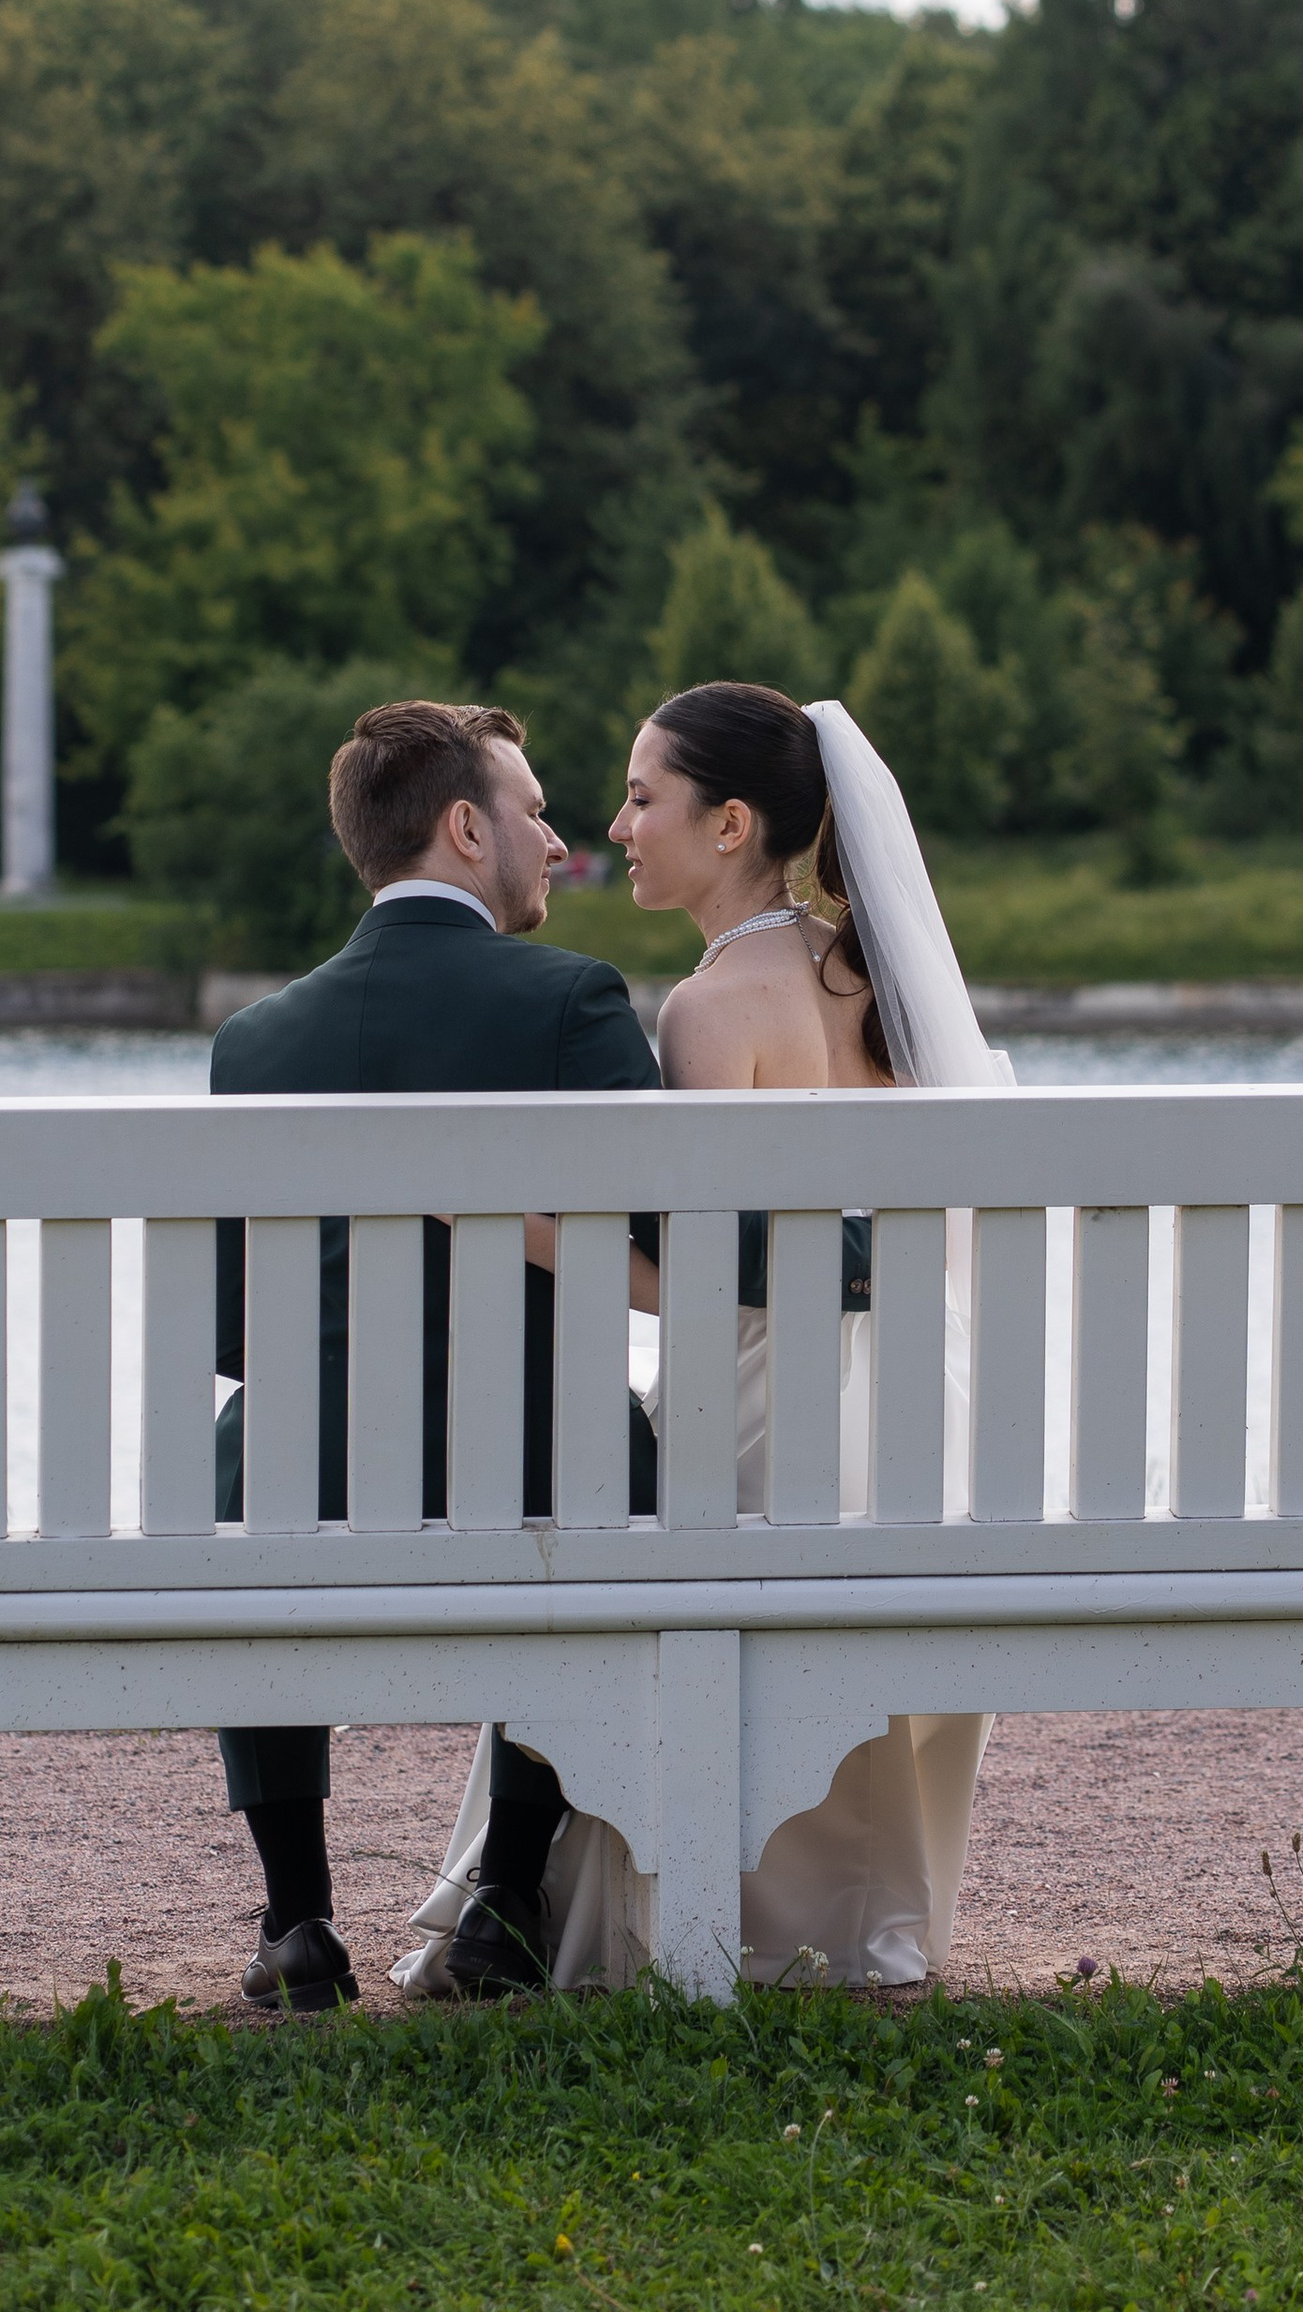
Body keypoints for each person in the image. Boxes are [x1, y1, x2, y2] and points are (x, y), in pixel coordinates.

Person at [403, 682, 1006, 1992]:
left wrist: (507, 1221)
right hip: (922, 1415)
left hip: (781, 1419)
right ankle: (856, 1927)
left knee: (611, 1525)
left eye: (641, 797)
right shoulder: (871, 976)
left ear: (731, 823)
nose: (614, 826)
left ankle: (575, 1910)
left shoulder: (710, 1006)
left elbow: (696, 1283)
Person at [210, 697, 662, 2012]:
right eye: (531, 812)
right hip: (535, 1467)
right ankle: (506, 1898)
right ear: (466, 830)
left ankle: (298, 1918)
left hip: (305, 1481)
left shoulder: (257, 1040)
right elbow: (662, 1253)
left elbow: (237, 1325)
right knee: (596, 1444)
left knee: (255, 1457)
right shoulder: (571, 1000)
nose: (558, 838)